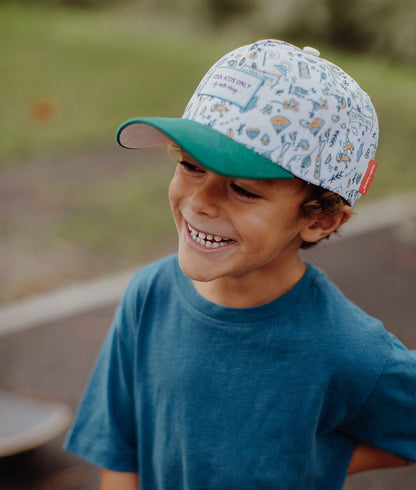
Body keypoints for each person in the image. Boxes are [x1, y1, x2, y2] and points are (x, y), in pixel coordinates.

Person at [64, 39, 416, 489]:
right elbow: (119, 453)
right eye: (191, 166)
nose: (200, 201)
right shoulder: (148, 297)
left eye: (244, 190)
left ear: (321, 217)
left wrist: (316, 460)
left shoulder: (347, 347)